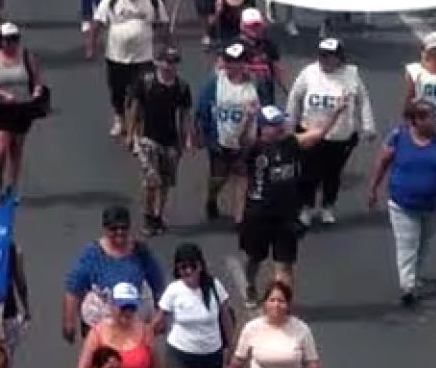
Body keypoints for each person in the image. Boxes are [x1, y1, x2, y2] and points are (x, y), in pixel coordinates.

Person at [367, 101, 436, 306]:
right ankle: (407, 286)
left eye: (434, 117)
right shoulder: (398, 137)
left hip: (433, 205)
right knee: (407, 244)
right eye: (429, 117)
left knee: (422, 244)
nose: (434, 121)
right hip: (403, 204)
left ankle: (414, 276)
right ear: (416, 120)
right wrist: (373, 189)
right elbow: (382, 162)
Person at [238, 106, 328, 301]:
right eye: (275, 124)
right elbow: (242, 142)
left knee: (284, 264)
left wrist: (337, 111)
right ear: (264, 127)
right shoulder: (255, 148)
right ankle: (250, 284)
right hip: (259, 214)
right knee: (255, 258)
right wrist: (248, 119)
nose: (280, 127)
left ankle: (282, 302)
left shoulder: (290, 143)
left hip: (286, 215)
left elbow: (318, 134)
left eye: (280, 123)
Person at [286, 38, 376, 227]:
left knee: (332, 174)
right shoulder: (309, 73)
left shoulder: (351, 75)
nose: (325, 59)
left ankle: (327, 206)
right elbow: (295, 98)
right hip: (310, 131)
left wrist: (368, 126)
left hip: (339, 135)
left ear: (339, 57)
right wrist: (289, 125)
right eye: (322, 55)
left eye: (330, 56)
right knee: (308, 172)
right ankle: (307, 207)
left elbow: (363, 100)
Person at [61, 205, 165, 343]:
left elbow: (157, 283)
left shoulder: (140, 252)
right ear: (105, 229)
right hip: (100, 321)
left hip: (133, 319)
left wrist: (160, 315)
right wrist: (69, 322)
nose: (119, 232)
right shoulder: (92, 254)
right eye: (114, 229)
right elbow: (73, 288)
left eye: (124, 228)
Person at [87, 0, 167, 139]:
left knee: (144, 90)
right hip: (116, 56)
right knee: (118, 90)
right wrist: (91, 46)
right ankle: (119, 118)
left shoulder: (152, 0)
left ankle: (140, 124)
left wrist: (167, 46)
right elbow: (97, 22)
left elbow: (163, 24)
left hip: (144, 57)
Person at [126, 46, 190, 233]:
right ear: (157, 63)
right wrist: (130, 134)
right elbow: (135, 109)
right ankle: (148, 216)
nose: (169, 66)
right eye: (166, 61)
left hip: (171, 141)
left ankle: (158, 216)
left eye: (173, 62)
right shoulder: (146, 83)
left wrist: (186, 139)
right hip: (148, 138)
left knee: (166, 182)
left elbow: (185, 115)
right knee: (151, 181)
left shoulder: (182, 87)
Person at [0, 21, 47, 202]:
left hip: (22, 108)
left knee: (16, 149)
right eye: (7, 40)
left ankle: (12, 186)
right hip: (1, 109)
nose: (10, 43)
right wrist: (2, 94)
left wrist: (36, 91)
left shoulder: (26, 56)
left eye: (14, 39)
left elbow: (37, 79)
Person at [195, 43, 260, 222]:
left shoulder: (252, 87)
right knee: (218, 178)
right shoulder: (216, 83)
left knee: (242, 177)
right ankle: (211, 198)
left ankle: (240, 220)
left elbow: (262, 109)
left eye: (238, 61)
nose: (234, 65)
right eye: (230, 61)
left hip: (244, 140)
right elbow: (202, 108)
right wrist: (199, 134)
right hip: (219, 141)